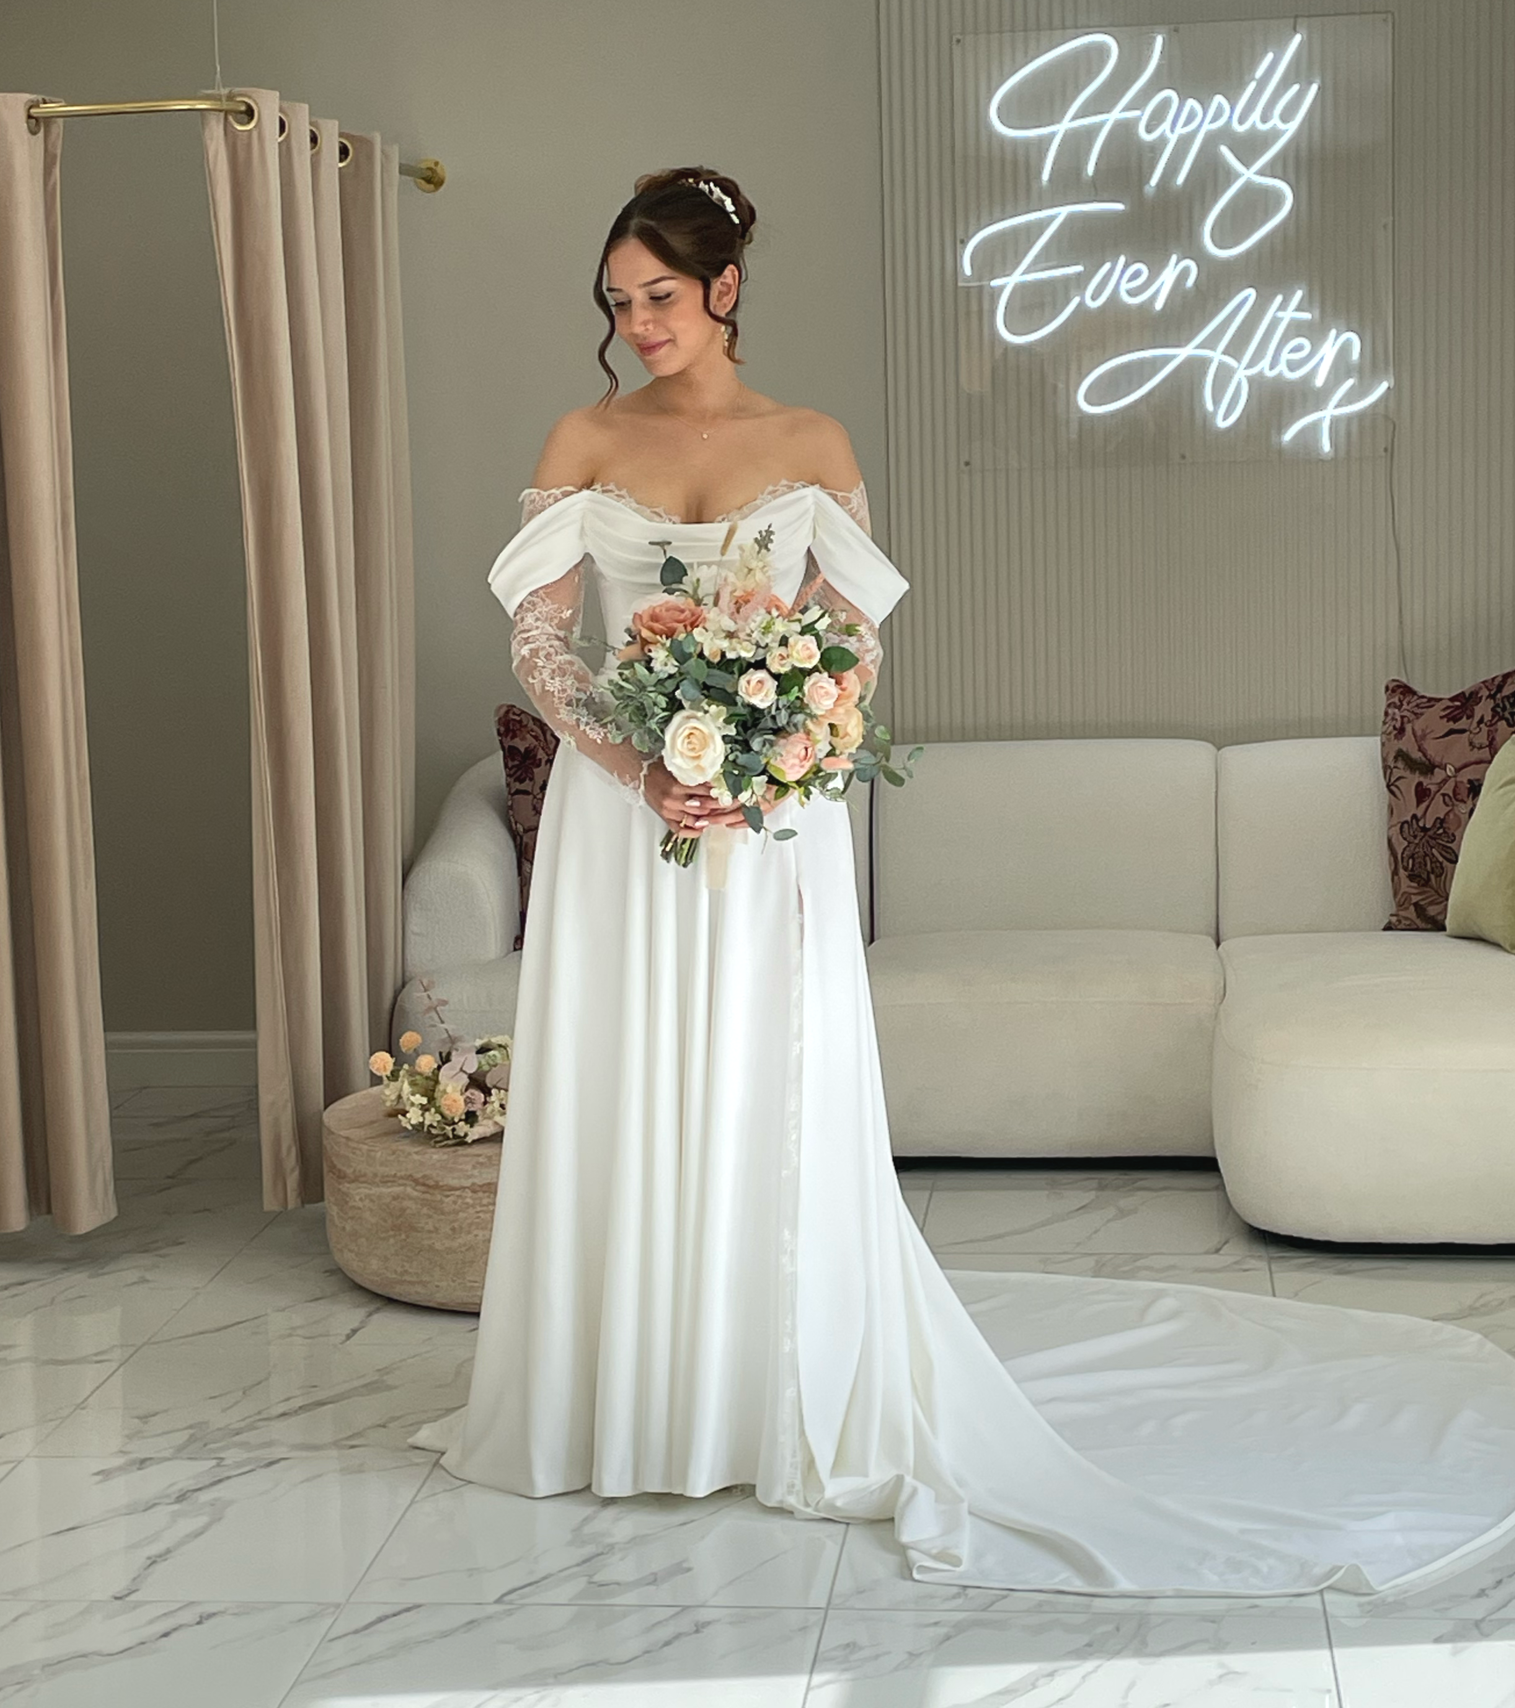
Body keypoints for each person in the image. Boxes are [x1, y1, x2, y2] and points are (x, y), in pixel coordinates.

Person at [416, 168, 1515, 1596]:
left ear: (727, 288)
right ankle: (623, 1392)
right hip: (627, 815)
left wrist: (779, 740)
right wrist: (637, 767)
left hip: (769, 819)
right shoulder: (584, 434)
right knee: (628, 1076)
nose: (639, 326)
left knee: (763, 1078)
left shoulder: (807, 440)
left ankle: (774, 1388)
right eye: (619, 304)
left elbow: (847, 646)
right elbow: (542, 639)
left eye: (663, 298)